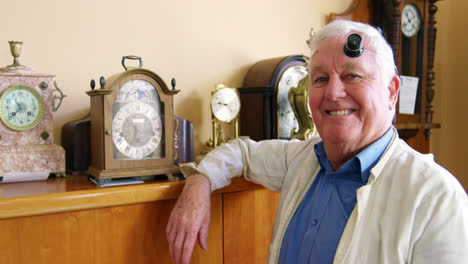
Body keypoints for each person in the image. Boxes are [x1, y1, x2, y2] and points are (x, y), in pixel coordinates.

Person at [166, 20, 468, 264]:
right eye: (320, 79)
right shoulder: (302, 159)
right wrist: (200, 181)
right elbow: (242, 152)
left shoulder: (436, 197)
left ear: (391, 92)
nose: (333, 93)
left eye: (352, 76)